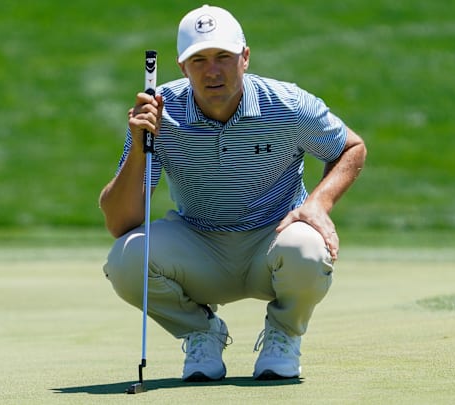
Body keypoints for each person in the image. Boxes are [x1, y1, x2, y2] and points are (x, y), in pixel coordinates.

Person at [99, 4, 366, 381]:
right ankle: (201, 332)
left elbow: (351, 148)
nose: (212, 71)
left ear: (245, 58)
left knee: (307, 247)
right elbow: (120, 222)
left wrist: (318, 205)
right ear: (182, 67)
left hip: (273, 242)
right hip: (200, 246)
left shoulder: (287, 105)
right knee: (125, 260)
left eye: (223, 57)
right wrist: (140, 142)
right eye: (199, 60)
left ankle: (284, 333)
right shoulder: (160, 113)